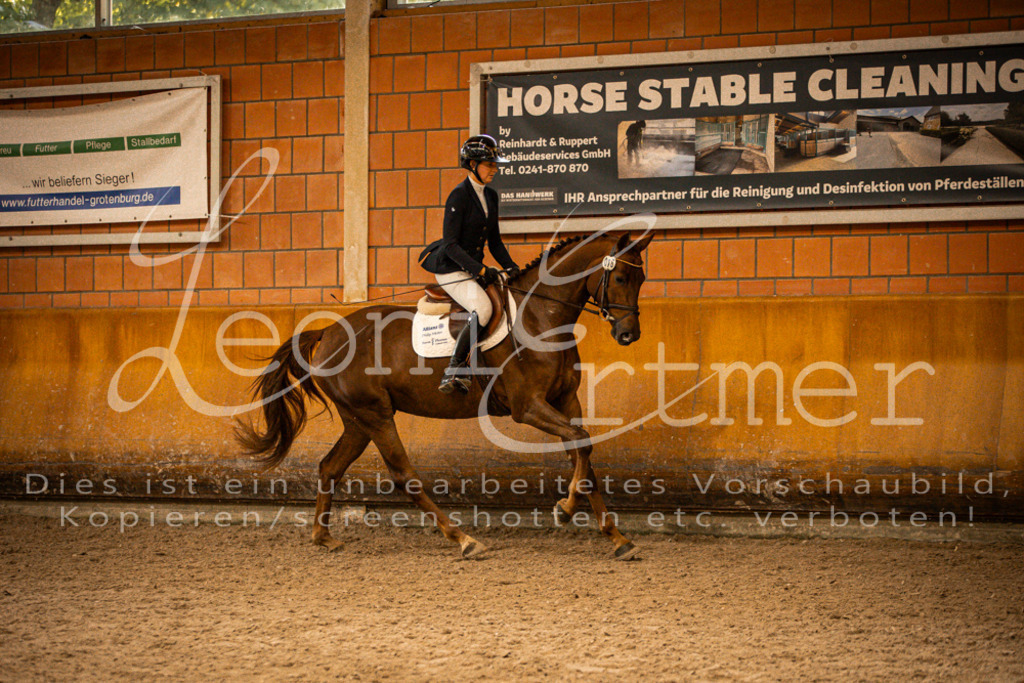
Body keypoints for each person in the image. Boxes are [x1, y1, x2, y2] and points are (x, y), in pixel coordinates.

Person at [418, 134, 521, 395]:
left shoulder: (492, 196)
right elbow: (451, 245)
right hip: (451, 268)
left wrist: (511, 266)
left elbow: (494, 241)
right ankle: (455, 369)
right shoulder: (459, 196)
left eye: (495, 165)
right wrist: (481, 270)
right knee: (483, 309)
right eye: (489, 165)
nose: (495, 170)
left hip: (473, 268)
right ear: (472, 165)